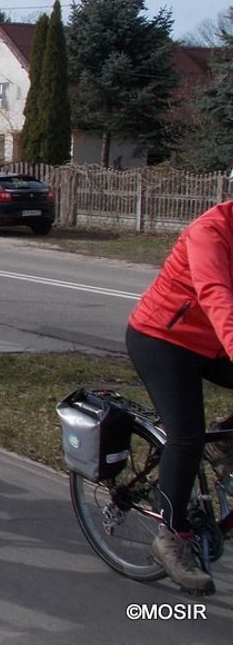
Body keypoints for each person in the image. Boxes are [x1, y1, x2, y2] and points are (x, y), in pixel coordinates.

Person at [126, 198, 233, 595]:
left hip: (214, 344)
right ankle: (171, 536)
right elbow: (215, 293)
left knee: (203, 437)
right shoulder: (210, 232)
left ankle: (226, 442)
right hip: (162, 339)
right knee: (186, 437)